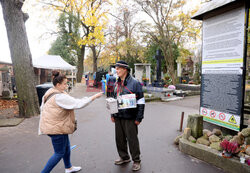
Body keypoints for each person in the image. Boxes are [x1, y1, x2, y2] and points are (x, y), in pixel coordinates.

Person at [39, 71, 103, 173]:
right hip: (56, 128)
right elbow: (78, 104)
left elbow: (42, 107)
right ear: (58, 84)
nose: (66, 85)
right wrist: (94, 97)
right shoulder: (59, 96)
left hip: (58, 125)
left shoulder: (51, 91)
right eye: (64, 83)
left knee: (67, 147)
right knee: (59, 153)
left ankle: (68, 167)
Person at [111, 60, 145, 171]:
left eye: (118, 68)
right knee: (119, 139)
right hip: (118, 116)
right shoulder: (116, 82)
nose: (116, 70)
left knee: (132, 139)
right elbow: (114, 99)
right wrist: (113, 114)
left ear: (125, 69)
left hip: (130, 117)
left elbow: (141, 101)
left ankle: (136, 160)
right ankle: (124, 157)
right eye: (116, 68)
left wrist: (139, 117)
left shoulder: (135, 83)